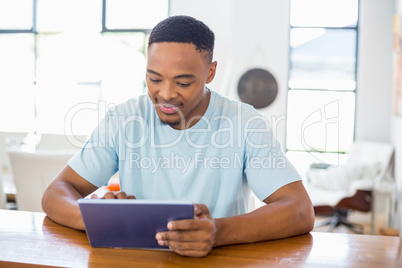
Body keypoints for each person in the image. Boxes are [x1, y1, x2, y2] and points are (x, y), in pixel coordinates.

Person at [42, 15, 314, 257]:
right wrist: (98, 218)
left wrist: (218, 231)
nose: (167, 94)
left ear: (210, 72)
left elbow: (299, 210)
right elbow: (55, 193)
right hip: (139, 261)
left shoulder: (245, 123)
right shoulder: (125, 119)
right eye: (154, 79)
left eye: (183, 82)